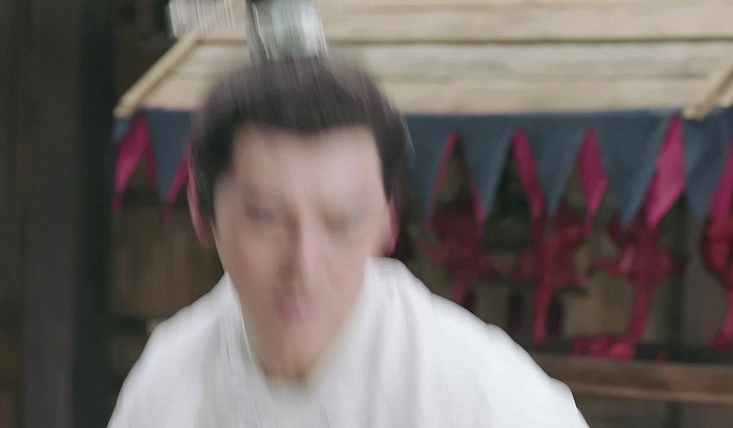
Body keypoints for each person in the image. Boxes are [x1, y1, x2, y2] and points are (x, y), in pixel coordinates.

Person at [108, 58, 588, 427]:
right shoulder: (169, 382)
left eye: (341, 222)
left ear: (387, 222)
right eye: (266, 218)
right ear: (203, 212)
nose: (305, 267)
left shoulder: (486, 397)